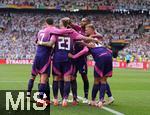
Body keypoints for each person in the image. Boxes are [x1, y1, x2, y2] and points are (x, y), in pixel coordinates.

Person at [68, 24, 114, 107]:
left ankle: (93, 101)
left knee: (96, 81)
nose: (85, 31)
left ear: (92, 30)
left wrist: (74, 55)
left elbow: (85, 50)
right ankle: (100, 101)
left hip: (100, 58)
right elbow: (108, 50)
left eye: (87, 29)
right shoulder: (97, 38)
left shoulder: (88, 40)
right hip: (108, 56)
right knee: (103, 80)